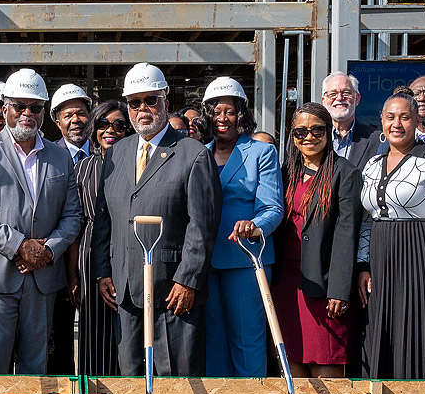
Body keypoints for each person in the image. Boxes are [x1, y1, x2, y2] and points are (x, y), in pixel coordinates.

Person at [92, 63, 220, 378]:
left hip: (172, 293)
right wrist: (103, 273)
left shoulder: (193, 154)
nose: (142, 109)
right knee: (132, 383)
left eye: (151, 100)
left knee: (175, 384)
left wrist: (187, 280)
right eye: (134, 103)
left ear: (165, 99)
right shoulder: (116, 153)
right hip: (125, 291)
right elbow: (104, 218)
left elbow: (202, 226)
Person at [0, 69, 84, 376]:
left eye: (35, 107)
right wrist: (20, 247)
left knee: (35, 365)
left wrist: (48, 250)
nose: (27, 113)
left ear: (44, 111)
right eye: (19, 106)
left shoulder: (59, 156)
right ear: (5, 107)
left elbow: (72, 214)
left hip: (42, 278)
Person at [355, 93, 425, 379]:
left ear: (417, 121)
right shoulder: (371, 165)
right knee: (381, 325)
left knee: (418, 324)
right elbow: (367, 219)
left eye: (405, 117)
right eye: (390, 117)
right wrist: (363, 265)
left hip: (421, 251)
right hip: (380, 253)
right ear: (381, 121)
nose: (397, 124)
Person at [199, 77, 284, 378]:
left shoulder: (261, 152)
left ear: (242, 114)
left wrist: (255, 226)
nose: (223, 118)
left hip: (246, 260)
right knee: (213, 343)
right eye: (216, 111)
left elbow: (273, 208)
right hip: (206, 261)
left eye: (230, 111)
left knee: (248, 341)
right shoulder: (199, 154)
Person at [273, 103, 360, 378]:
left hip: (324, 285)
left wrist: (339, 289)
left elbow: (347, 234)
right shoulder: (286, 172)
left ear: (328, 132)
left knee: (326, 360)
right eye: (300, 132)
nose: (308, 137)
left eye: (317, 130)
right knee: (291, 363)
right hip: (285, 283)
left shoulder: (345, 173)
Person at [74, 100, 130, 377]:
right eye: (103, 124)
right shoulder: (83, 168)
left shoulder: (137, 164)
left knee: (128, 330)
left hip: (128, 249)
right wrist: (72, 275)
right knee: (94, 333)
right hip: (88, 253)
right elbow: (73, 221)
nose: (111, 130)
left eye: (119, 125)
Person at [45, 83, 95, 373]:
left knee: (96, 339)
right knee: (59, 340)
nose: (76, 120)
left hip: (95, 264)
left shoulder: (106, 155)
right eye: (68, 115)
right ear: (57, 120)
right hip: (54, 263)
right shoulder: (47, 156)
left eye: (81, 113)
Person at [321, 72, 369, 162]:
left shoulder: (376, 140)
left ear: (357, 98)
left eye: (346, 93)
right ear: (324, 101)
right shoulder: (312, 137)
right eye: (333, 94)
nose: (339, 98)